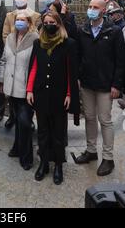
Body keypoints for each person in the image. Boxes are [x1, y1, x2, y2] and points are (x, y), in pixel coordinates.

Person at [74, 0, 125, 176]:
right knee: (89, 117)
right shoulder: (83, 30)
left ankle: (108, 158)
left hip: (106, 85)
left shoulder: (114, 31)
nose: (91, 10)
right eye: (89, 7)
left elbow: (121, 61)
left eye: (95, 7)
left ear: (103, 11)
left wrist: (116, 85)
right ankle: (91, 151)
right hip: (87, 84)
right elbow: (79, 55)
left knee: (105, 120)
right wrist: (79, 76)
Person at [27, 11, 80, 185]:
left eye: (52, 22)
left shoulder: (68, 44)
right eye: (46, 22)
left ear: (58, 24)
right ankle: (43, 163)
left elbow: (70, 72)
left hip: (59, 95)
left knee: (58, 133)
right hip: (41, 93)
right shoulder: (38, 43)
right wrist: (29, 90)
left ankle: (58, 164)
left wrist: (69, 94)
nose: (49, 24)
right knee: (42, 132)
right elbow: (33, 68)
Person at [0, 10, 38, 170]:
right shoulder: (9, 38)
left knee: (25, 122)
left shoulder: (35, 39)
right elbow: (3, 60)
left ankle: (26, 156)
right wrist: (2, 80)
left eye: (23, 20)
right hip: (10, 86)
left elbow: (37, 65)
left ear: (29, 23)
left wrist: (32, 87)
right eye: (17, 20)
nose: (19, 22)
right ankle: (16, 147)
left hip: (26, 89)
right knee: (18, 120)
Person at [2, 0, 40, 129]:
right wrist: (12, 46)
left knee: (25, 101)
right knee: (12, 96)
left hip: (26, 56)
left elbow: (37, 37)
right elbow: (5, 33)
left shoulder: (36, 16)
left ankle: (27, 121)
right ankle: (12, 116)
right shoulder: (9, 15)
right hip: (12, 51)